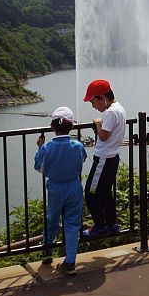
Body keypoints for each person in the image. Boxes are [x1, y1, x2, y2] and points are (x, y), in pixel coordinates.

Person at [34, 107, 86, 275]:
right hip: (74, 186)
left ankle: (47, 250)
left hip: (55, 187)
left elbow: (39, 167)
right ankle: (70, 262)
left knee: (52, 219)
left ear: (52, 127)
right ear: (71, 127)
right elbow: (82, 160)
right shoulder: (77, 146)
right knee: (72, 224)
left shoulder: (46, 148)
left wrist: (39, 148)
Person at [82, 79, 126, 238]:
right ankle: (112, 224)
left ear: (102, 98)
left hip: (103, 159)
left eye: (93, 101)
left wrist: (98, 123)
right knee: (105, 193)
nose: (93, 106)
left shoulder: (110, 112)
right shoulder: (119, 108)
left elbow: (104, 136)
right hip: (112, 158)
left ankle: (100, 227)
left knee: (90, 193)